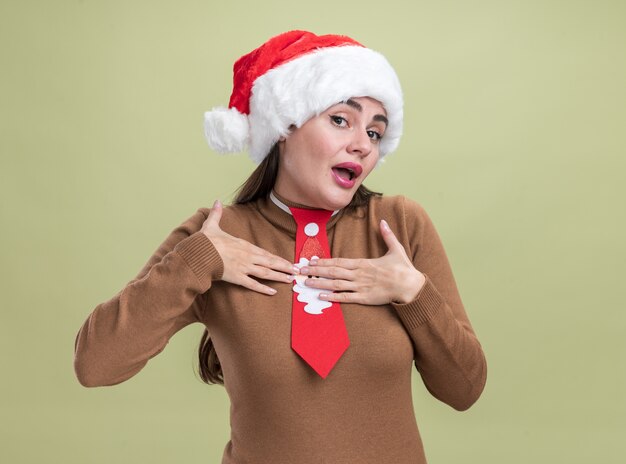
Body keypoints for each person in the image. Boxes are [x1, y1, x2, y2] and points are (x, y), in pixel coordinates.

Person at [74, 30, 487, 464]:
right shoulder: (216, 234)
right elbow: (95, 364)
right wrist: (197, 262)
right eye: (341, 120)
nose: (363, 144)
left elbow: (465, 389)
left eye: (375, 131)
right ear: (286, 124)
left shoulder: (399, 227)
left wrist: (414, 293)